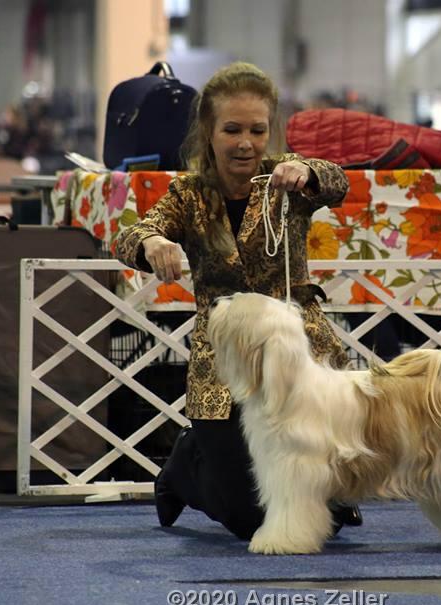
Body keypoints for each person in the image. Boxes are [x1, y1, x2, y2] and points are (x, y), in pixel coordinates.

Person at [115, 61, 361, 541]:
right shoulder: (187, 193)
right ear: (208, 131)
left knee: (314, 510)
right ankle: (185, 465)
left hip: (300, 357)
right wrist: (150, 244)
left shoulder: (286, 181)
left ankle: (326, 499)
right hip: (225, 364)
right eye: (231, 130)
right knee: (250, 519)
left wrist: (306, 168)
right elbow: (132, 234)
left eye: (257, 129)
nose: (245, 142)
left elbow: (338, 181)